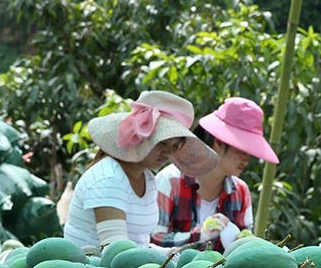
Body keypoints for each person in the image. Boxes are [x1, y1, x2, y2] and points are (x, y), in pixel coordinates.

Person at [62, 91, 217, 252]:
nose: (167, 153)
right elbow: (115, 252)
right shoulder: (109, 178)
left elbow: (140, 246)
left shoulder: (148, 178)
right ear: (139, 137)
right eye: (162, 144)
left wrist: (174, 253)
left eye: (174, 146)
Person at [152, 96, 279, 250]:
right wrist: (200, 235)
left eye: (250, 151)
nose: (247, 158)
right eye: (242, 149)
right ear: (218, 142)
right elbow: (153, 240)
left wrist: (244, 240)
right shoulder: (171, 181)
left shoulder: (240, 191)